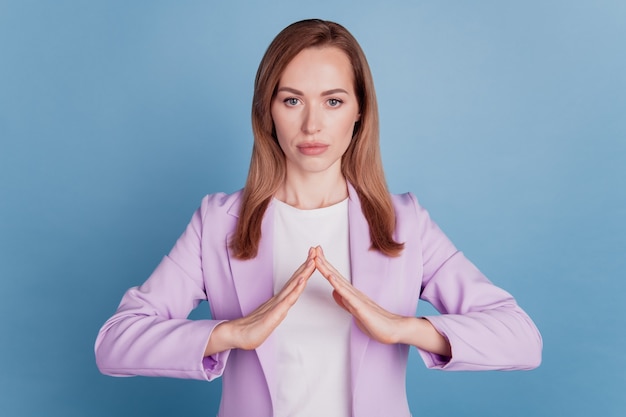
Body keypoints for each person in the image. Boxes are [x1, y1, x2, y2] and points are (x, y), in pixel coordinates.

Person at [95, 19, 542, 417]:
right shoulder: (217, 222)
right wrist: (230, 333)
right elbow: (115, 343)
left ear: (359, 111)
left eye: (333, 101)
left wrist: (403, 328)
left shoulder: (404, 222)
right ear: (267, 111)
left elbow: (522, 338)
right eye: (292, 100)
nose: (312, 125)